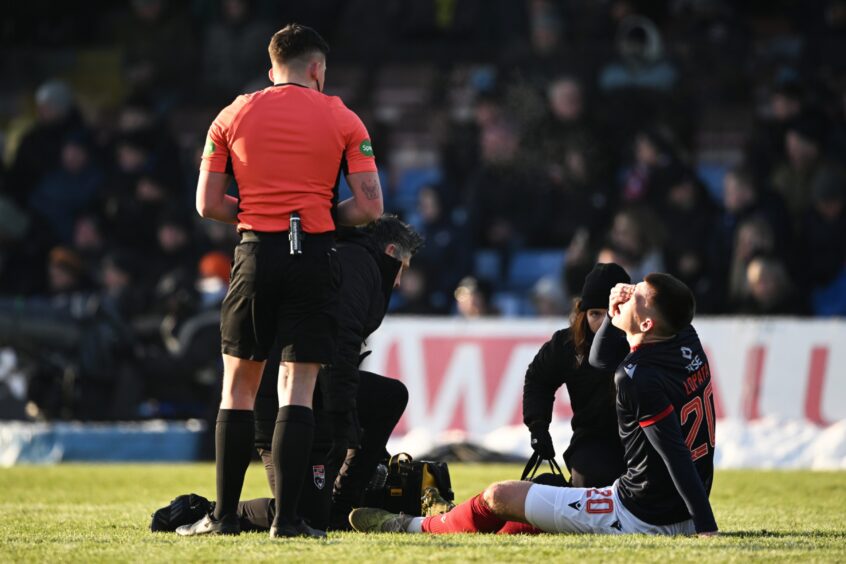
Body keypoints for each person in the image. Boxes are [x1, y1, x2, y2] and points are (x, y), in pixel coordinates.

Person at [178, 24, 384, 539]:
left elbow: (206, 203)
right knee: (297, 386)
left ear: (273, 69)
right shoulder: (342, 116)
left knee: (238, 388)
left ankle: (224, 518)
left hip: (253, 254)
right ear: (317, 68)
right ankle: (288, 522)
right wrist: (313, 215)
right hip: (312, 256)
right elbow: (369, 206)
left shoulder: (233, 113)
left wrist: (258, 214)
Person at [349, 273, 718, 536]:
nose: (625, 293)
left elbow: (674, 454)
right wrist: (615, 308)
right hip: (677, 507)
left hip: (641, 513)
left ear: (649, 322)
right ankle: (473, 525)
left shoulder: (637, 376)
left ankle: (408, 526)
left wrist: (706, 528)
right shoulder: (685, 336)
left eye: (636, 295)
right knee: (527, 510)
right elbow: (602, 359)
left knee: (499, 495)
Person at [154, 216, 422, 532]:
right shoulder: (359, 264)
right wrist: (343, 415)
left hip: (292, 393)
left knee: (388, 396)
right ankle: (204, 510)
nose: (400, 280)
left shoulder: (345, 256)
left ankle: (340, 502)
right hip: (290, 400)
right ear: (391, 251)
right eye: (402, 267)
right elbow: (343, 342)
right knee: (306, 515)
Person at [523, 263, 629, 488]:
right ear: (583, 313)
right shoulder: (567, 344)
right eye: (595, 314)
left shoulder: (647, 341)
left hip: (644, 438)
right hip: (593, 440)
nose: (603, 322)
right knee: (590, 483)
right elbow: (538, 379)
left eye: (612, 312)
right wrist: (538, 425)